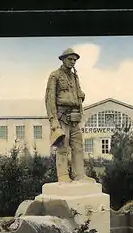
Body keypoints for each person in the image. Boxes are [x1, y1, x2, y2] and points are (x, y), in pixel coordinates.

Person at [45, 48, 95, 183]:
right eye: (70, 59)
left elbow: (76, 94)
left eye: (75, 60)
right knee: (63, 147)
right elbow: (49, 99)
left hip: (75, 117)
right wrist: (53, 121)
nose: (73, 62)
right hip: (62, 117)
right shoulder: (55, 75)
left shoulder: (74, 77)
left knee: (78, 146)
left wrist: (81, 96)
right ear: (63, 59)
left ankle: (80, 175)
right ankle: (63, 176)